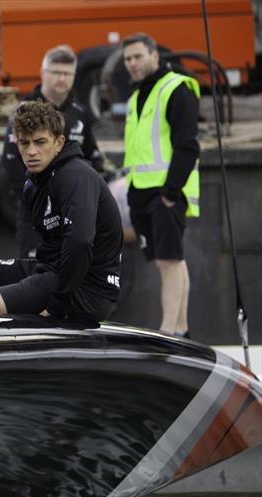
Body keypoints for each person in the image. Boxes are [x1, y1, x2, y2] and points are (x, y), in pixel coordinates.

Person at [0, 101, 123, 321]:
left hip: (88, 288)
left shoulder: (75, 176)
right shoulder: (33, 184)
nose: (31, 151)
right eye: (24, 143)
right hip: (49, 270)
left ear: (59, 142)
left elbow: (80, 243)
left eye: (40, 142)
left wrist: (57, 305)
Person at [122, 33, 200, 337]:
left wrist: (170, 193)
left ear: (155, 55)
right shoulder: (135, 97)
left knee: (169, 261)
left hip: (165, 193)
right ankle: (181, 329)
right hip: (141, 192)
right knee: (170, 261)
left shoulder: (175, 89)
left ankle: (169, 333)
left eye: (138, 56)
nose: (132, 63)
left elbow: (187, 146)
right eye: (128, 58)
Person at [0, 45, 106, 258]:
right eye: (56, 72)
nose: (61, 78)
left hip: (73, 209)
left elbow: (91, 159)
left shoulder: (80, 113)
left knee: (72, 272)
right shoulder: (23, 112)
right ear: (42, 73)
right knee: (33, 275)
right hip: (35, 211)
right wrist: (38, 198)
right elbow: (11, 163)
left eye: (67, 73)